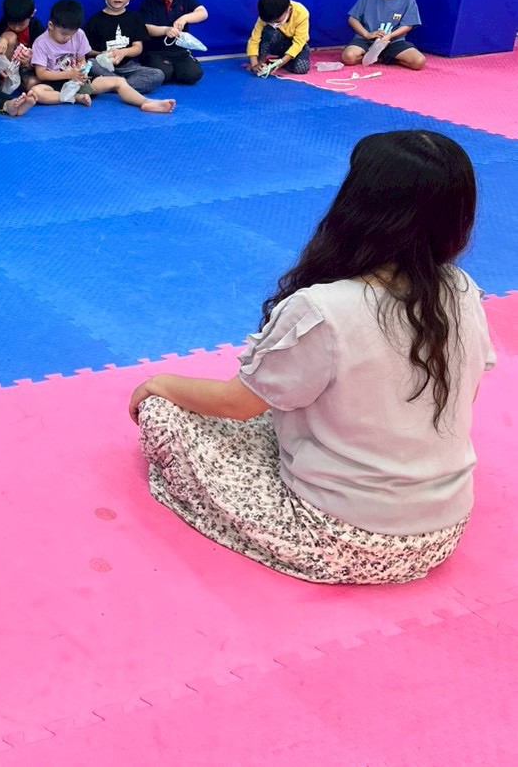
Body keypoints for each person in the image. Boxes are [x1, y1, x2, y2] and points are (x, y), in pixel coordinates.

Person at [131, 130, 496, 584]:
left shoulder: (322, 309)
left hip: (340, 536)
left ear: (358, 207)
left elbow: (236, 404)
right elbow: (465, 391)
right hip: (442, 531)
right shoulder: (461, 290)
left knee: (164, 413)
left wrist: (159, 383)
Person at [30, 0, 175, 113]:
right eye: (63, 34)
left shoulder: (79, 34)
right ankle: (75, 98)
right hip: (56, 84)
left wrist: (82, 72)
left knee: (118, 81)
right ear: (50, 25)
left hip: (78, 83)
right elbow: (41, 74)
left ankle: (146, 102)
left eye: (71, 34)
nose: (68, 38)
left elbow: (81, 60)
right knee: (37, 92)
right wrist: (69, 74)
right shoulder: (41, 43)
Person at [83, 0, 166, 95]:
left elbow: (138, 48)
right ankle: (121, 85)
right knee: (91, 64)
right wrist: (101, 54)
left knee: (158, 74)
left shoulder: (134, 18)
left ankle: (116, 85)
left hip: (128, 67)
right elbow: (87, 51)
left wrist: (123, 52)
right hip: (103, 67)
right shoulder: (95, 20)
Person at [138, 0, 206, 85]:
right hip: (156, 52)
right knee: (163, 74)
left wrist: (185, 18)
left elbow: (203, 13)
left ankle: (176, 68)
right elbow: (145, 28)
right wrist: (165, 30)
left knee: (194, 75)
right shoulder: (148, 4)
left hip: (179, 51)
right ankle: (167, 68)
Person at [246, 0, 312, 75]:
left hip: (295, 45)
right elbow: (254, 39)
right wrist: (254, 64)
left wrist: (281, 62)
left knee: (301, 68)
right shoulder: (267, 14)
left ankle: (282, 61)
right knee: (269, 31)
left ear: (289, 9)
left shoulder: (301, 12)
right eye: (270, 21)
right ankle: (262, 60)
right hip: (277, 43)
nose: (273, 23)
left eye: (276, 20)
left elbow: (299, 43)